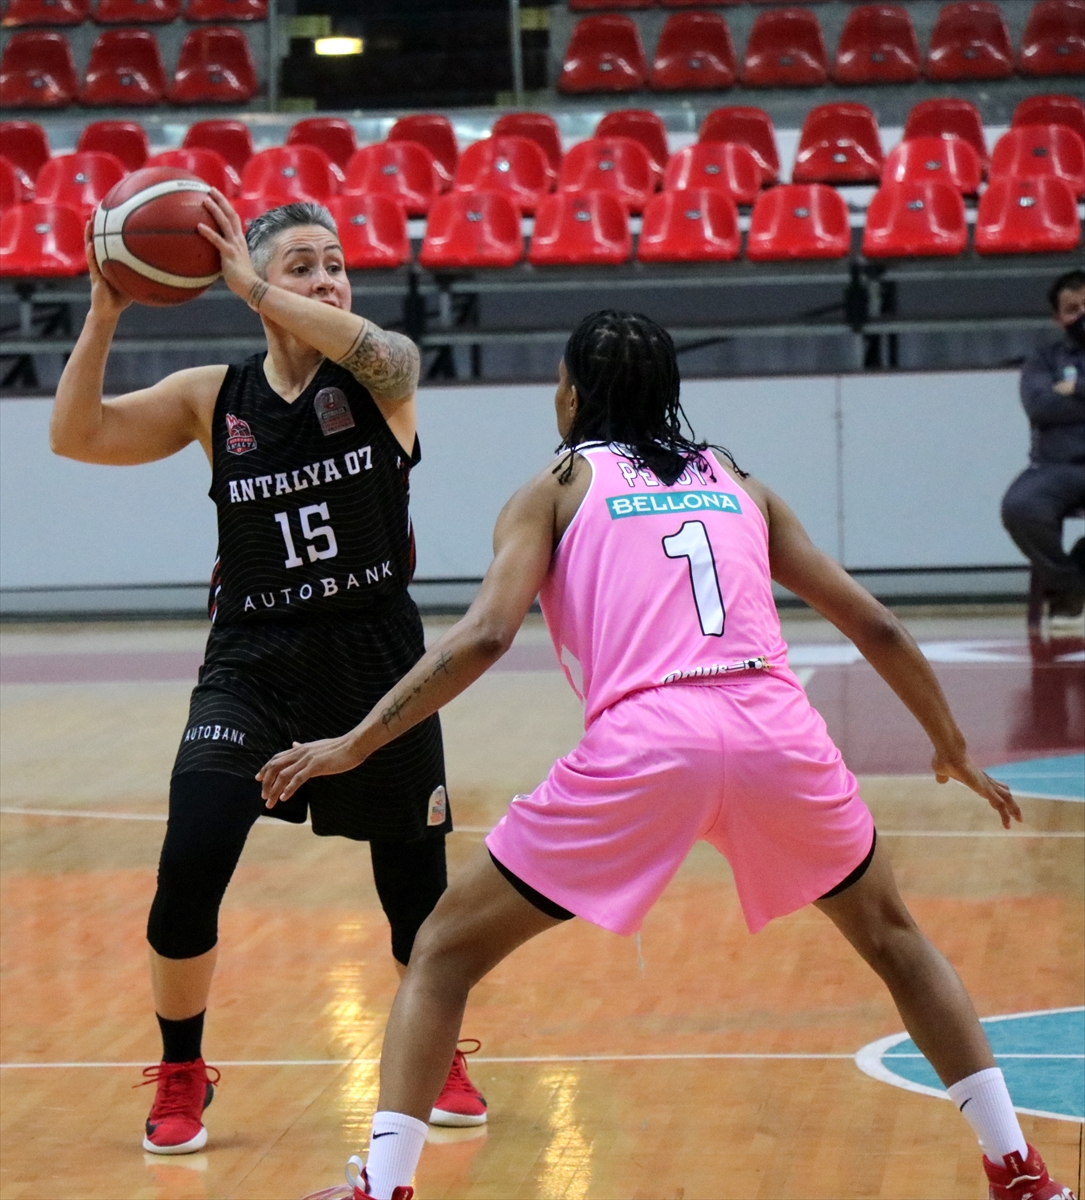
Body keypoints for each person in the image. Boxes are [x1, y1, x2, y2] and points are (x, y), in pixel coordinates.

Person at [262, 311, 1077, 1200]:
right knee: (895, 940)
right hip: (775, 733)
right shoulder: (738, 481)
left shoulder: (553, 487)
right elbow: (873, 622)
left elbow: (486, 635)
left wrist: (355, 742)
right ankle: (1016, 1170)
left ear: (571, 394)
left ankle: (384, 1186)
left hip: (649, 741)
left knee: (443, 953)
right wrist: (949, 745)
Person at [48, 194, 486, 1155]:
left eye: (335, 263)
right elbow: (77, 437)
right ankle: (181, 1067)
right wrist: (105, 312)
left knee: (414, 899)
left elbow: (394, 357)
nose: (327, 279)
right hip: (252, 665)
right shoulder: (214, 396)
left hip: (376, 667)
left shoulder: (380, 377)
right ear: (253, 279)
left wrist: (253, 285)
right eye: (302, 265)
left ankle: (437, 1053)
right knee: (189, 861)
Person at [1002, 269, 1085, 638]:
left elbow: (1058, 403)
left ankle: (1081, 561)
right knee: (1020, 507)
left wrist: (1074, 389)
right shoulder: (1044, 359)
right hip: (1056, 468)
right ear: (1058, 319)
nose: (1082, 315)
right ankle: (1070, 586)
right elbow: (1040, 407)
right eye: (1072, 309)